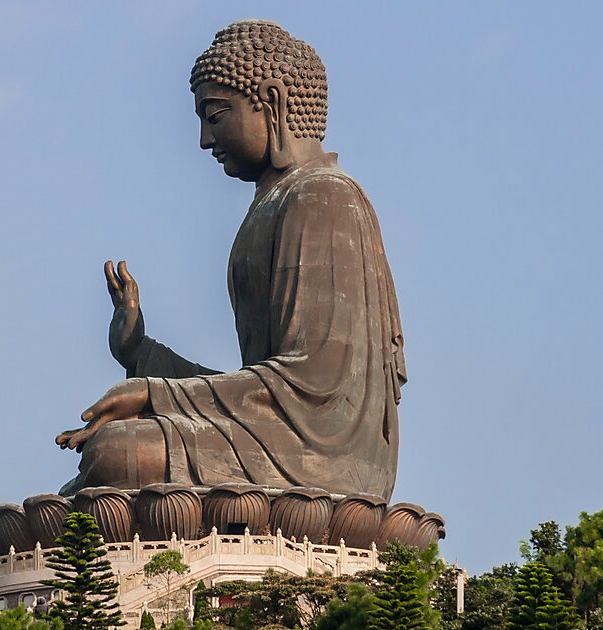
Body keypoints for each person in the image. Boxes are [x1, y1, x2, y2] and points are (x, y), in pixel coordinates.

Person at [57, 20, 407, 501]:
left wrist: (157, 394)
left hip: (321, 458)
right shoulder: (277, 202)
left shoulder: (322, 198)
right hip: (272, 435)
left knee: (116, 453)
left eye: (215, 115)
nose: (204, 139)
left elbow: (312, 389)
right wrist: (141, 355)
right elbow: (265, 390)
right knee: (87, 477)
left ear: (273, 101)